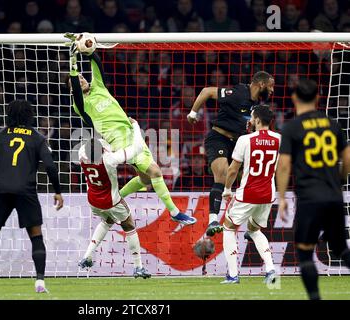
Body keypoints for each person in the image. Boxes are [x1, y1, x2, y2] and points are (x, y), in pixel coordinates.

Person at [66, 33, 196, 225]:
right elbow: (76, 87)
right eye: (77, 81)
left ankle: (116, 197)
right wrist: (73, 60)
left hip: (133, 133)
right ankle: (175, 212)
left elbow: (97, 67)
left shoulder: (98, 88)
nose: (82, 80)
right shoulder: (80, 105)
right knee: (156, 172)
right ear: (72, 88)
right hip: (120, 141)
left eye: (84, 78)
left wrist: (90, 51)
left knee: (144, 180)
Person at [0, 100, 64, 294]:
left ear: (9, 115)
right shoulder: (37, 137)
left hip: (1, 190)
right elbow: (51, 166)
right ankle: (39, 282)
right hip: (26, 191)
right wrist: (58, 191)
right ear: (30, 115)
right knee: (36, 237)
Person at [276, 79, 350, 300]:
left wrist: (281, 197)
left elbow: (284, 165)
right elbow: (347, 157)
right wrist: (339, 180)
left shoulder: (291, 127)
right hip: (334, 197)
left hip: (309, 198)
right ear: (318, 98)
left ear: (294, 98)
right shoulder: (332, 124)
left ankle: (315, 298)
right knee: (340, 249)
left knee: (306, 253)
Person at [187, 71, 275, 236]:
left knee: (253, 178)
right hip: (219, 138)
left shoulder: (258, 105)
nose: (272, 91)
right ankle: (213, 220)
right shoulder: (238, 93)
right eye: (270, 86)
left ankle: (252, 226)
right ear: (261, 84)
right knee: (222, 173)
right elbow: (207, 91)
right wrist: (193, 113)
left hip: (238, 143)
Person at [78, 118, 150, 279]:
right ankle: (139, 267)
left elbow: (97, 143)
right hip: (110, 200)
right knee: (129, 224)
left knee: (108, 221)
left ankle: (87, 256)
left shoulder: (81, 153)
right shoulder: (109, 160)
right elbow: (137, 147)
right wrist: (135, 126)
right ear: (102, 151)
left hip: (93, 200)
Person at [220, 104, 280, 284]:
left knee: (228, 227)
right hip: (268, 193)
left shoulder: (245, 140)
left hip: (248, 193)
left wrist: (227, 189)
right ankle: (270, 270)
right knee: (254, 229)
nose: (250, 120)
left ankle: (232, 275)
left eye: (252, 117)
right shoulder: (279, 139)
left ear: (259, 120)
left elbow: (232, 170)